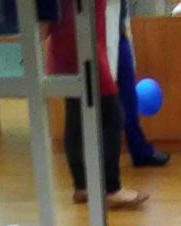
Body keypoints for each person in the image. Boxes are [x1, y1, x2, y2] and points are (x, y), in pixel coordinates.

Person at [44, 0, 148, 208]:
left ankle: (82, 186)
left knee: (75, 115)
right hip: (85, 50)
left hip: (70, 48)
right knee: (113, 116)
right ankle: (112, 188)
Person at [115, 0, 170, 167]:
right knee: (117, 99)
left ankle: (139, 151)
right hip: (104, 32)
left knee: (127, 98)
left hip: (116, 30)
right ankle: (137, 152)